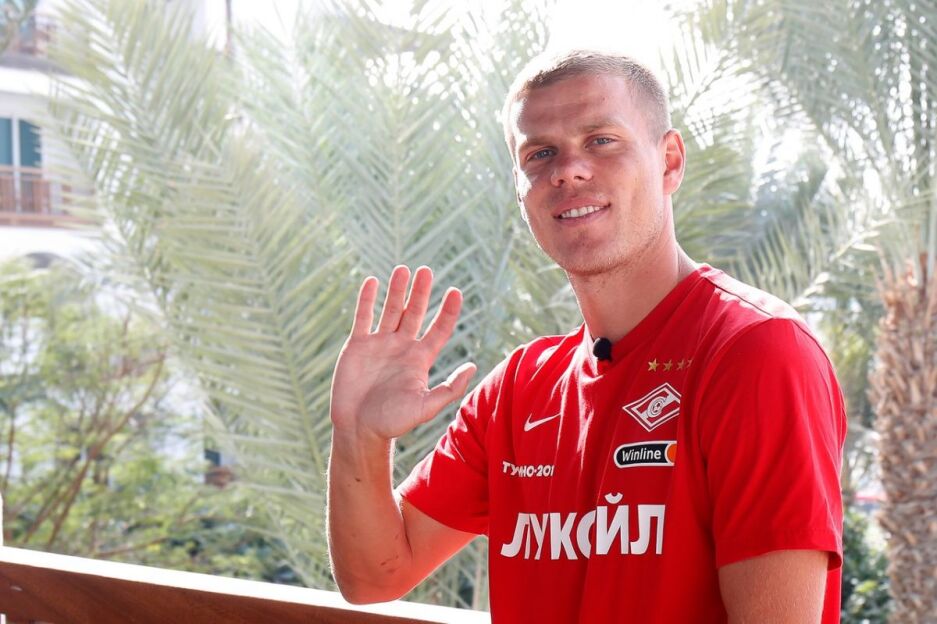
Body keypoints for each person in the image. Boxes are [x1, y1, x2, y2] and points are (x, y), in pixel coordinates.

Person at [327, 49, 846, 623]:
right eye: (539, 153)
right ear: (519, 188)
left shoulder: (757, 353)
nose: (567, 171)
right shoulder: (518, 389)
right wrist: (359, 434)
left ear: (670, 161)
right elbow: (374, 576)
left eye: (601, 140)